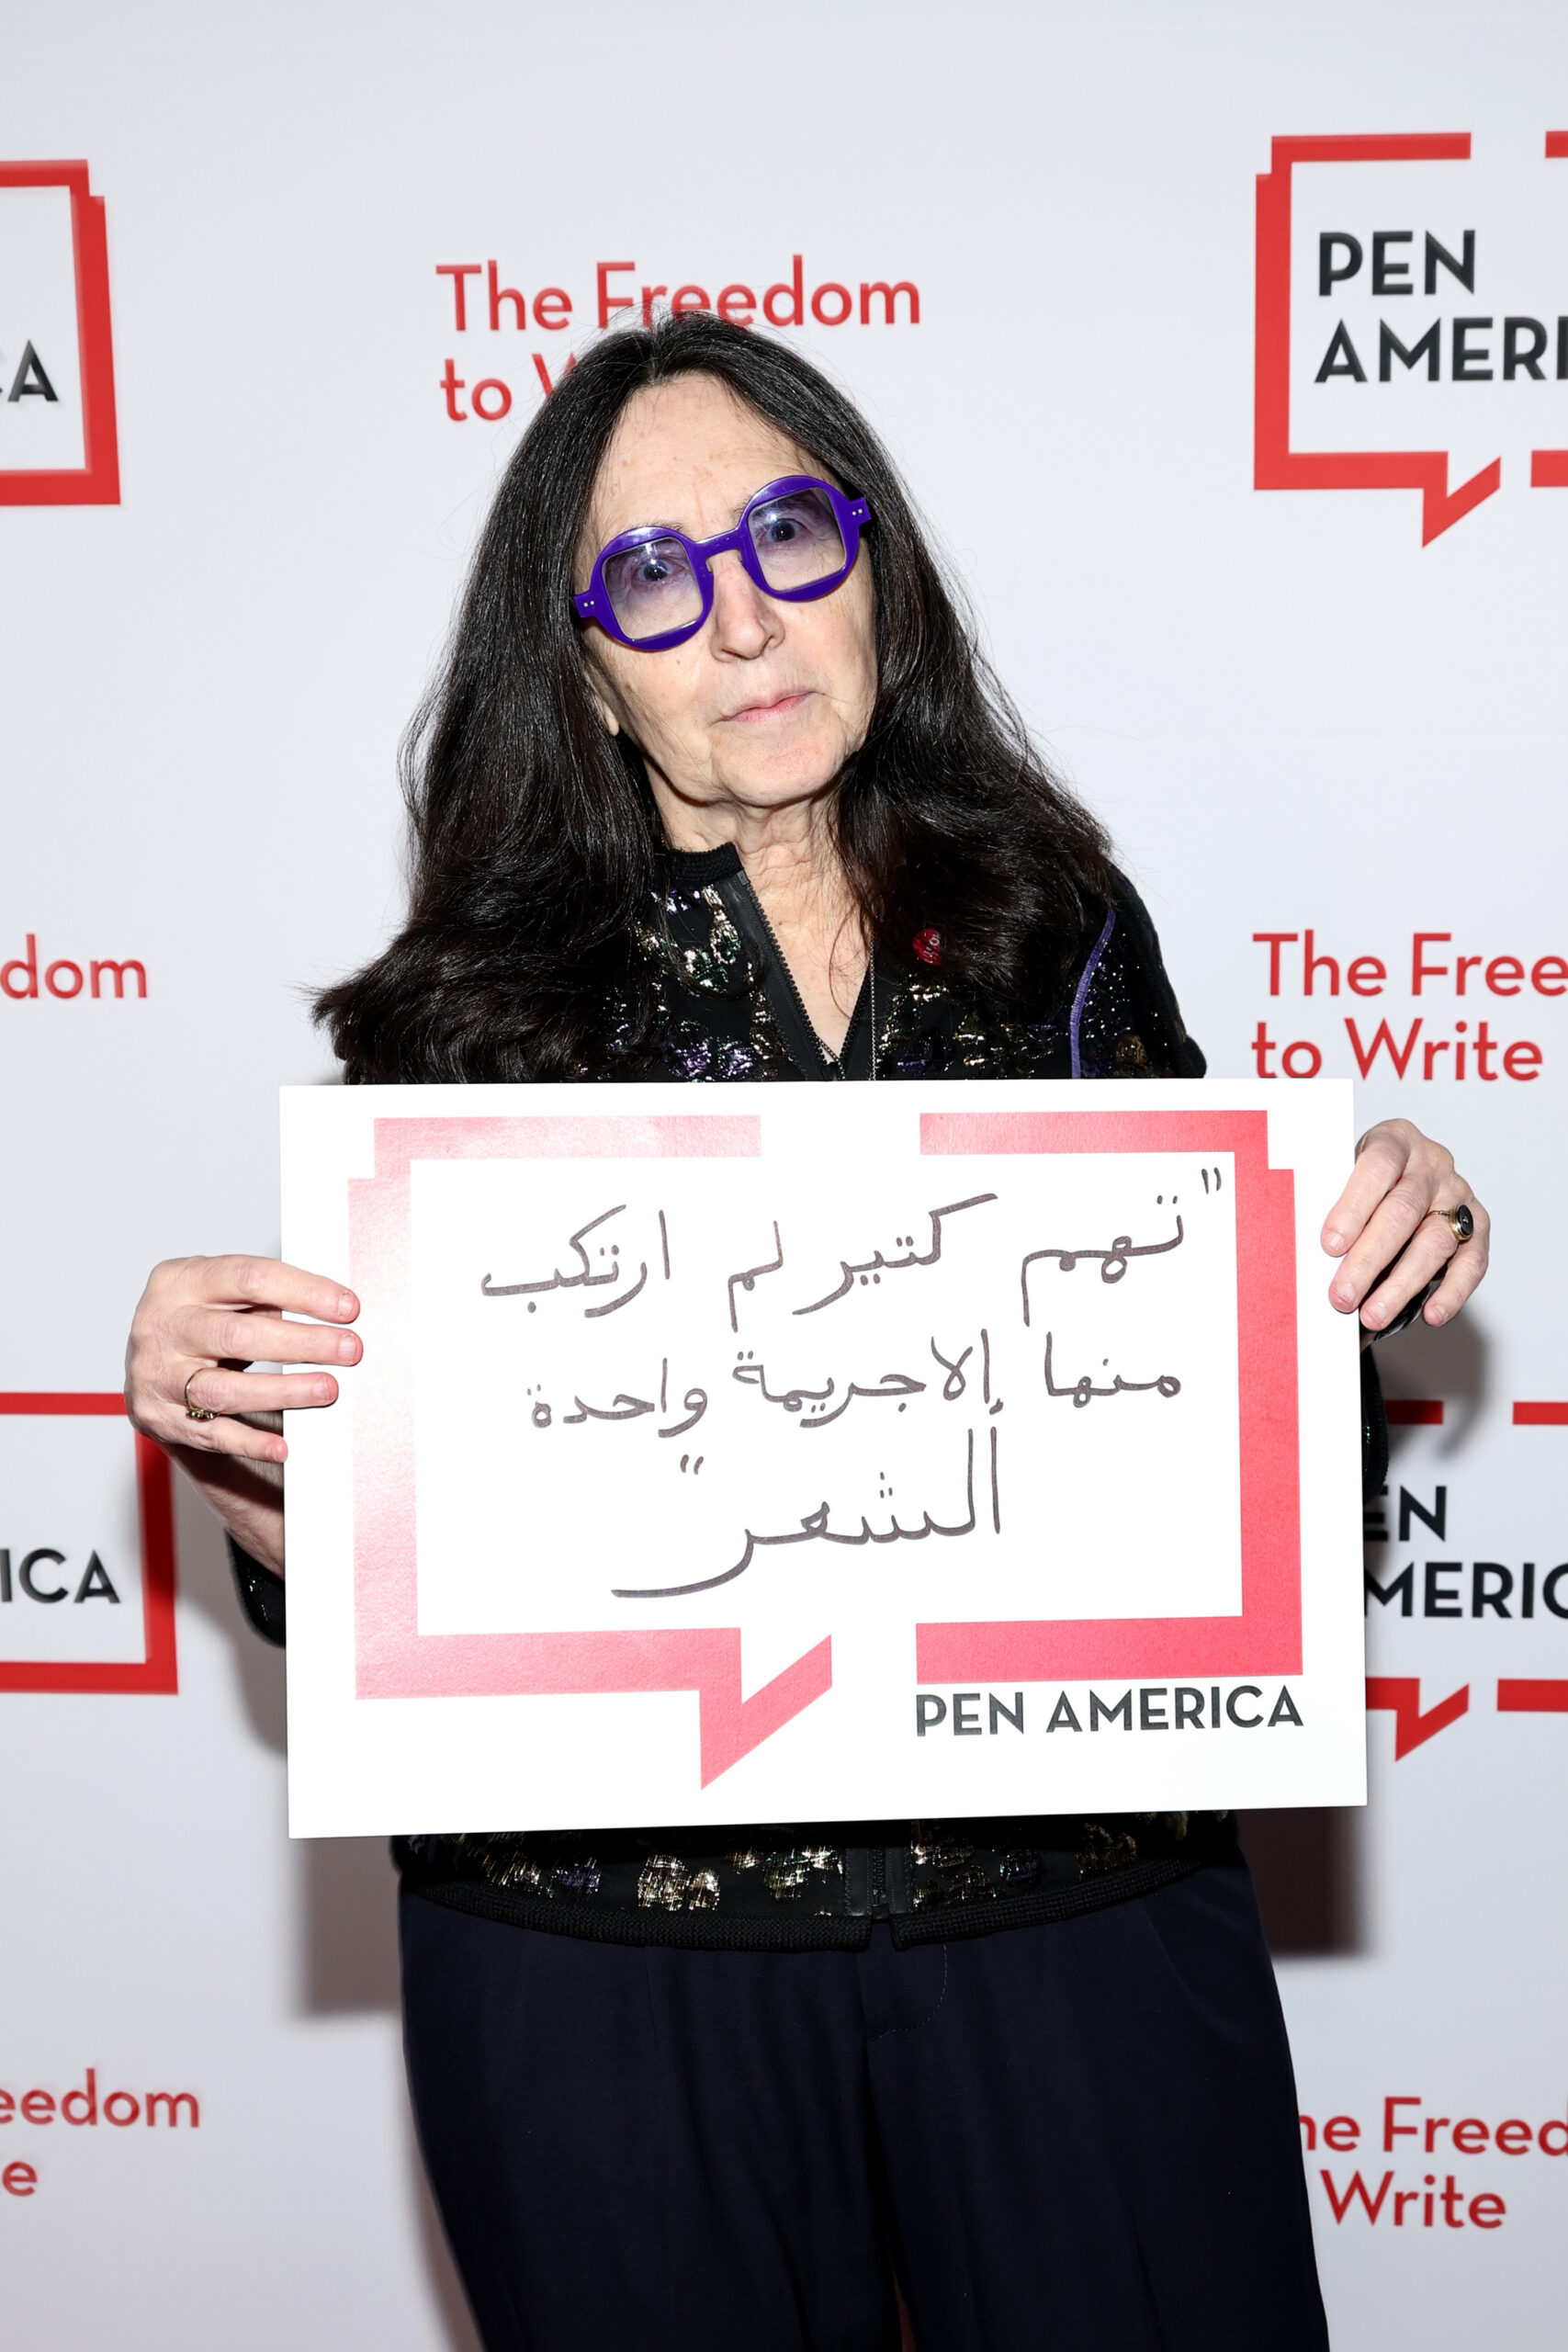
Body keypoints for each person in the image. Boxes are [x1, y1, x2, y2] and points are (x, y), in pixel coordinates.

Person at [125, 312, 1488, 2352]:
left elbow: (1253, 1470)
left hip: (1073, 1912)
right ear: (584, 667)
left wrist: (1361, 1261)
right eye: (655, 580)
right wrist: (243, 1462)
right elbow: (367, 1594)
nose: (744, 620)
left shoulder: (1060, 927)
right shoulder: (458, 1028)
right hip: (602, 1966)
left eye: (789, 533)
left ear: (875, 565)